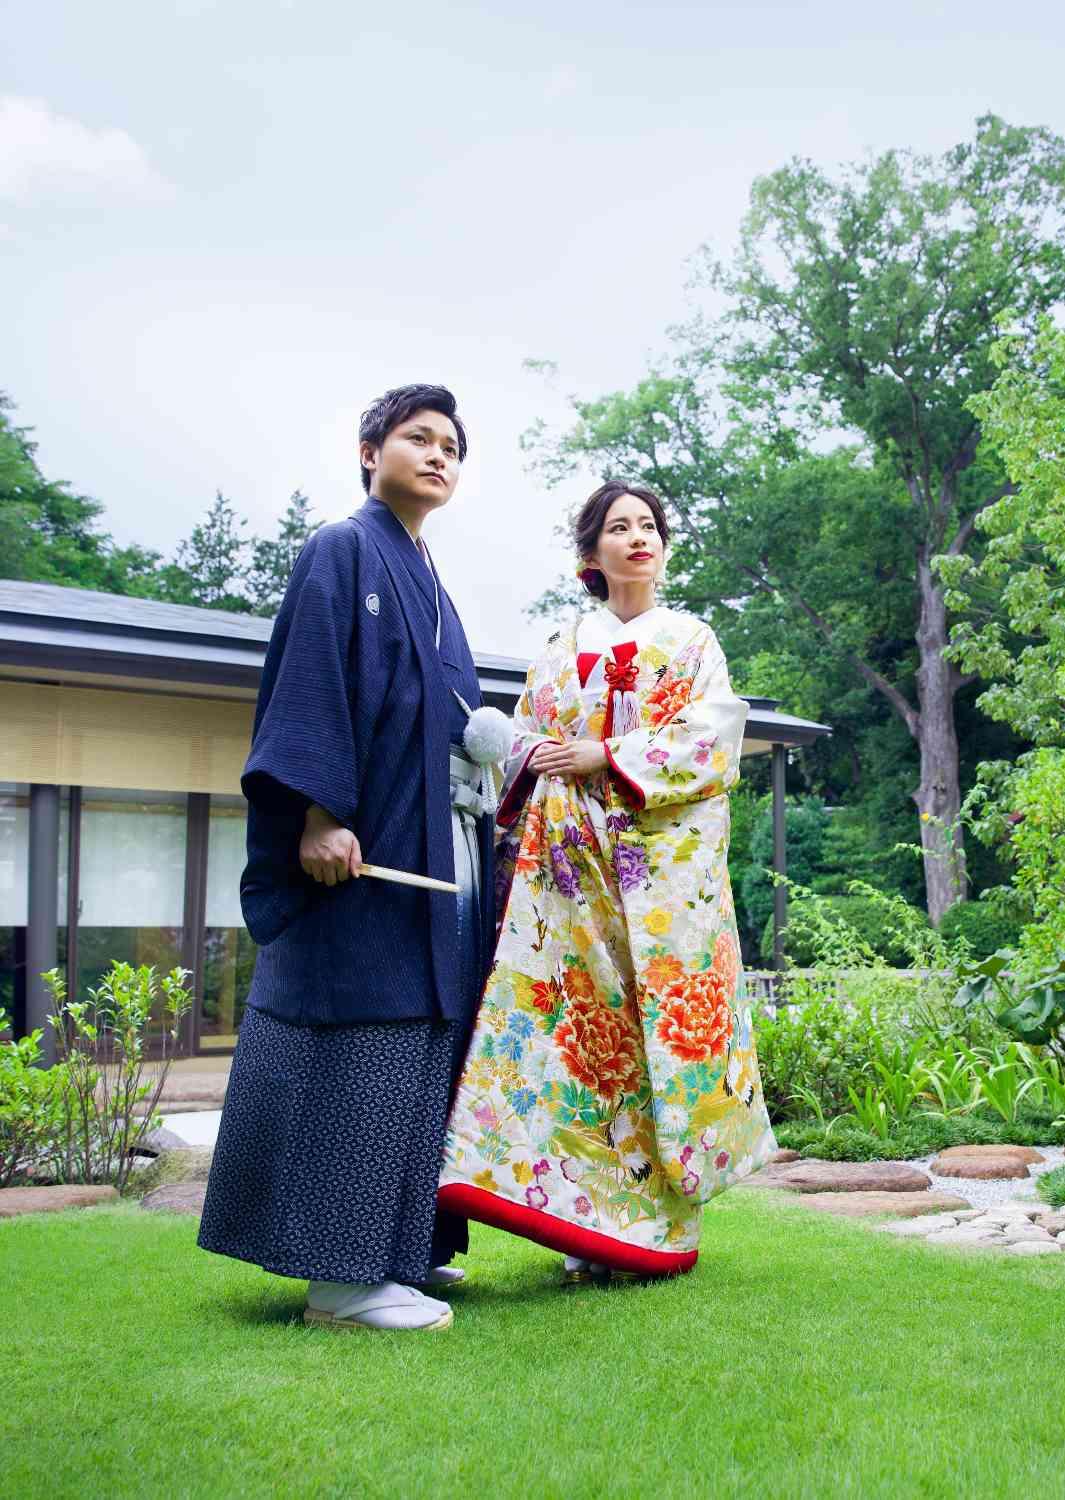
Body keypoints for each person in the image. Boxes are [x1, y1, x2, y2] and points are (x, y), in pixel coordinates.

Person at [198, 384, 496, 1332]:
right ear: (371, 451)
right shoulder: (343, 548)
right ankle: (340, 1276)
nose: (438, 455)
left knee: (419, 1035)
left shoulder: (430, 579)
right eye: (419, 438)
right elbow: (313, 681)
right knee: (363, 1035)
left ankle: (397, 1250)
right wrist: (317, 813)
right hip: (358, 850)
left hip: (428, 848)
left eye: (452, 444)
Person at [440, 480, 776, 1283]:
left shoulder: (693, 640)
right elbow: (523, 741)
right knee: (574, 1041)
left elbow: (714, 738)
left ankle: (657, 1231)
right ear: (591, 554)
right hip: (571, 874)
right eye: (618, 528)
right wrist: (527, 751)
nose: (638, 538)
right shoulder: (560, 648)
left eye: (650, 526)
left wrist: (609, 756)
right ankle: (581, 1231)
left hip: (660, 880)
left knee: (657, 1036)